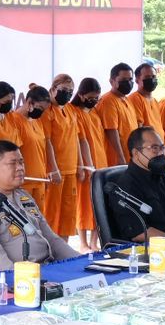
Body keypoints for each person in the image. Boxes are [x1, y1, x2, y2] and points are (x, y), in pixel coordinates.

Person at [0, 140, 77, 272]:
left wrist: (82, 262)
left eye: (21, 162)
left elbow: (51, 239)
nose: (20, 168)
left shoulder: (23, 196)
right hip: (19, 278)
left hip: (47, 268)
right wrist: (27, 279)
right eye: (12, 163)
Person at [103, 127, 165, 240]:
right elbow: (139, 233)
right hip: (162, 247)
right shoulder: (126, 186)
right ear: (136, 153)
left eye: (162, 148)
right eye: (154, 148)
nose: (161, 153)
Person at [0, 82, 58, 217]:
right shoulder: (14, 119)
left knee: (38, 221)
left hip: (39, 180)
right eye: (40, 108)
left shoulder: (37, 121)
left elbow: (42, 148)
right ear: (29, 102)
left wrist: (47, 170)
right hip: (24, 181)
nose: (41, 112)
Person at [42, 74, 83, 236]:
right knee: (52, 213)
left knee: (68, 214)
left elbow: (76, 138)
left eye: (71, 91)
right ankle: (50, 248)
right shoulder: (47, 111)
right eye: (64, 90)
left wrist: (80, 165)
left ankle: (64, 247)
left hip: (71, 168)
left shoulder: (71, 109)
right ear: (53, 89)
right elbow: (47, 141)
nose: (67, 94)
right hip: (56, 171)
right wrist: (53, 168)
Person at [70, 77, 108, 247]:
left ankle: (94, 242)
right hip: (85, 165)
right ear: (81, 95)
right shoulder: (74, 112)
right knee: (83, 204)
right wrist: (85, 164)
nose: (94, 101)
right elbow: (80, 141)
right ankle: (83, 243)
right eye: (90, 97)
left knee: (98, 203)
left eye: (96, 97)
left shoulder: (95, 113)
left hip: (100, 162)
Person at [96, 63, 138, 164]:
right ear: (112, 81)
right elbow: (111, 131)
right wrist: (120, 156)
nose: (128, 83)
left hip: (131, 156)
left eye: (130, 79)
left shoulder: (126, 99)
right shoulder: (108, 101)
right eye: (123, 80)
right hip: (116, 160)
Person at [130, 61, 163, 132]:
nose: (151, 79)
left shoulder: (154, 101)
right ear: (137, 80)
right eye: (147, 77)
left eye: (153, 76)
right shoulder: (135, 99)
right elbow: (139, 130)